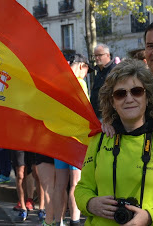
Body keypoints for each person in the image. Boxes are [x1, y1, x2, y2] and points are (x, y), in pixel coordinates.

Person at [74, 59, 153, 225]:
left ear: (147, 97)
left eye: (136, 91)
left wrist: (150, 217)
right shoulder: (100, 139)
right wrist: (90, 203)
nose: (129, 98)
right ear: (112, 102)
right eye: (120, 94)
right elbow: (82, 188)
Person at [53, 52, 93, 226]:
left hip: (59, 137)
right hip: (76, 138)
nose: (86, 74)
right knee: (75, 183)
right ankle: (75, 221)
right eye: (86, 70)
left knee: (59, 183)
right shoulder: (80, 83)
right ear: (81, 66)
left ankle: (58, 221)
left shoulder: (57, 82)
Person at [90, 43, 116, 120]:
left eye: (100, 55)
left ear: (108, 55)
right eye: (95, 56)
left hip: (109, 116)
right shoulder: (98, 71)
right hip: (97, 115)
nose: (97, 58)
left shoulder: (114, 70)